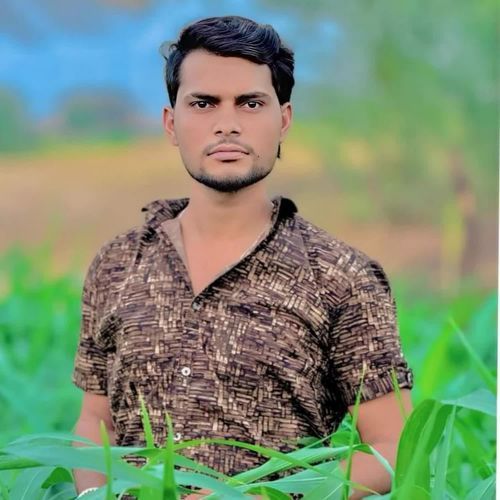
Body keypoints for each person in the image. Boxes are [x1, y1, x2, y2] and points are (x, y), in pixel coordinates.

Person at [71, 15, 414, 499]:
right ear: (172, 123)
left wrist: (257, 497)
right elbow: (95, 420)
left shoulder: (341, 276)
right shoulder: (119, 263)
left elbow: (393, 446)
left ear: (283, 120)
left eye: (251, 103)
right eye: (203, 103)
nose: (227, 124)